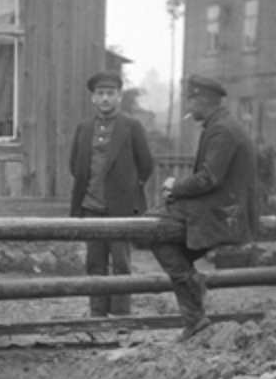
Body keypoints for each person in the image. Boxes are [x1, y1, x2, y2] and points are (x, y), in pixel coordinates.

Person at [152, 75, 261, 341]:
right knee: (158, 226)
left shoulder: (222, 130)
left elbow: (209, 178)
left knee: (154, 229)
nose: (189, 108)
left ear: (201, 100)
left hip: (224, 212)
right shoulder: (220, 125)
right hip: (221, 206)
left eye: (190, 101)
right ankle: (194, 310)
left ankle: (193, 296)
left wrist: (175, 187)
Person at [69, 70, 155, 318]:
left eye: (110, 93)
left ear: (119, 96)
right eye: (100, 93)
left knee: (121, 263)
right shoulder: (84, 128)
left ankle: (120, 315)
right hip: (91, 207)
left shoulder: (131, 126)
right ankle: (97, 314)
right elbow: (75, 165)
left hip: (121, 210)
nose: (105, 98)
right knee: (95, 263)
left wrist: (127, 189)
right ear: (93, 98)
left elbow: (146, 164)